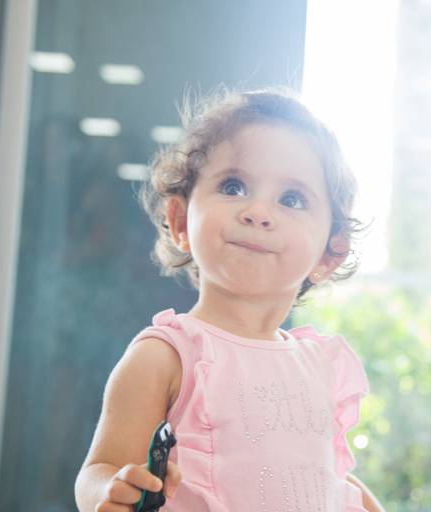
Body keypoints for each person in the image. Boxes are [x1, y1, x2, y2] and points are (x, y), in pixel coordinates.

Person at [75, 88, 384, 511]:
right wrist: (110, 490)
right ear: (181, 221)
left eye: (291, 199)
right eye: (234, 186)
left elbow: (332, 481)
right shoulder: (166, 356)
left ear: (330, 254)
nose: (258, 211)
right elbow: (99, 468)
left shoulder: (321, 366)